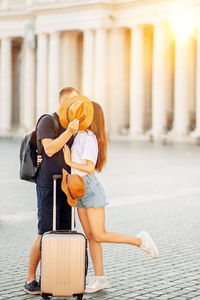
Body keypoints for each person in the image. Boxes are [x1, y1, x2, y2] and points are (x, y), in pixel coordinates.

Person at [62, 101, 159, 294]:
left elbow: (89, 167)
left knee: (99, 234)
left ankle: (140, 241)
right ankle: (100, 279)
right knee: (90, 236)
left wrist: (68, 161)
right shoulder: (79, 134)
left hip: (89, 187)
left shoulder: (89, 137)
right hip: (78, 188)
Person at [24, 87, 80, 295]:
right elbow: (49, 149)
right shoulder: (48, 121)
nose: (78, 106)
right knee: (44, 232)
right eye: (75, 102)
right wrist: (69, 132)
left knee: (65, 232)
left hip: (67, 185)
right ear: (64, 102)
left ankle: (58, 276)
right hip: (48, 184)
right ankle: (30, 278)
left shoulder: (72, 125)